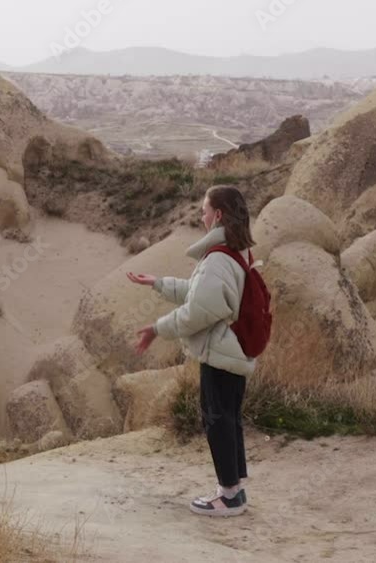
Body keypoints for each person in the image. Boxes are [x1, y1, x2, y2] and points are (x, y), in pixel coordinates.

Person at [127, 184, 256, 517]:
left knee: (217, 420)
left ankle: (228, 496)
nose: (201, 216)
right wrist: (158, 283)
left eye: (203, 210)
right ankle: (235, 490)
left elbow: (198, 312)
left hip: (220, 354)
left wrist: (157, 329)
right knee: (228, 419)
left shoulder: (217, 259)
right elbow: (201, 294)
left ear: (218, 215)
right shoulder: (234, 251)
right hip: (233, 352)